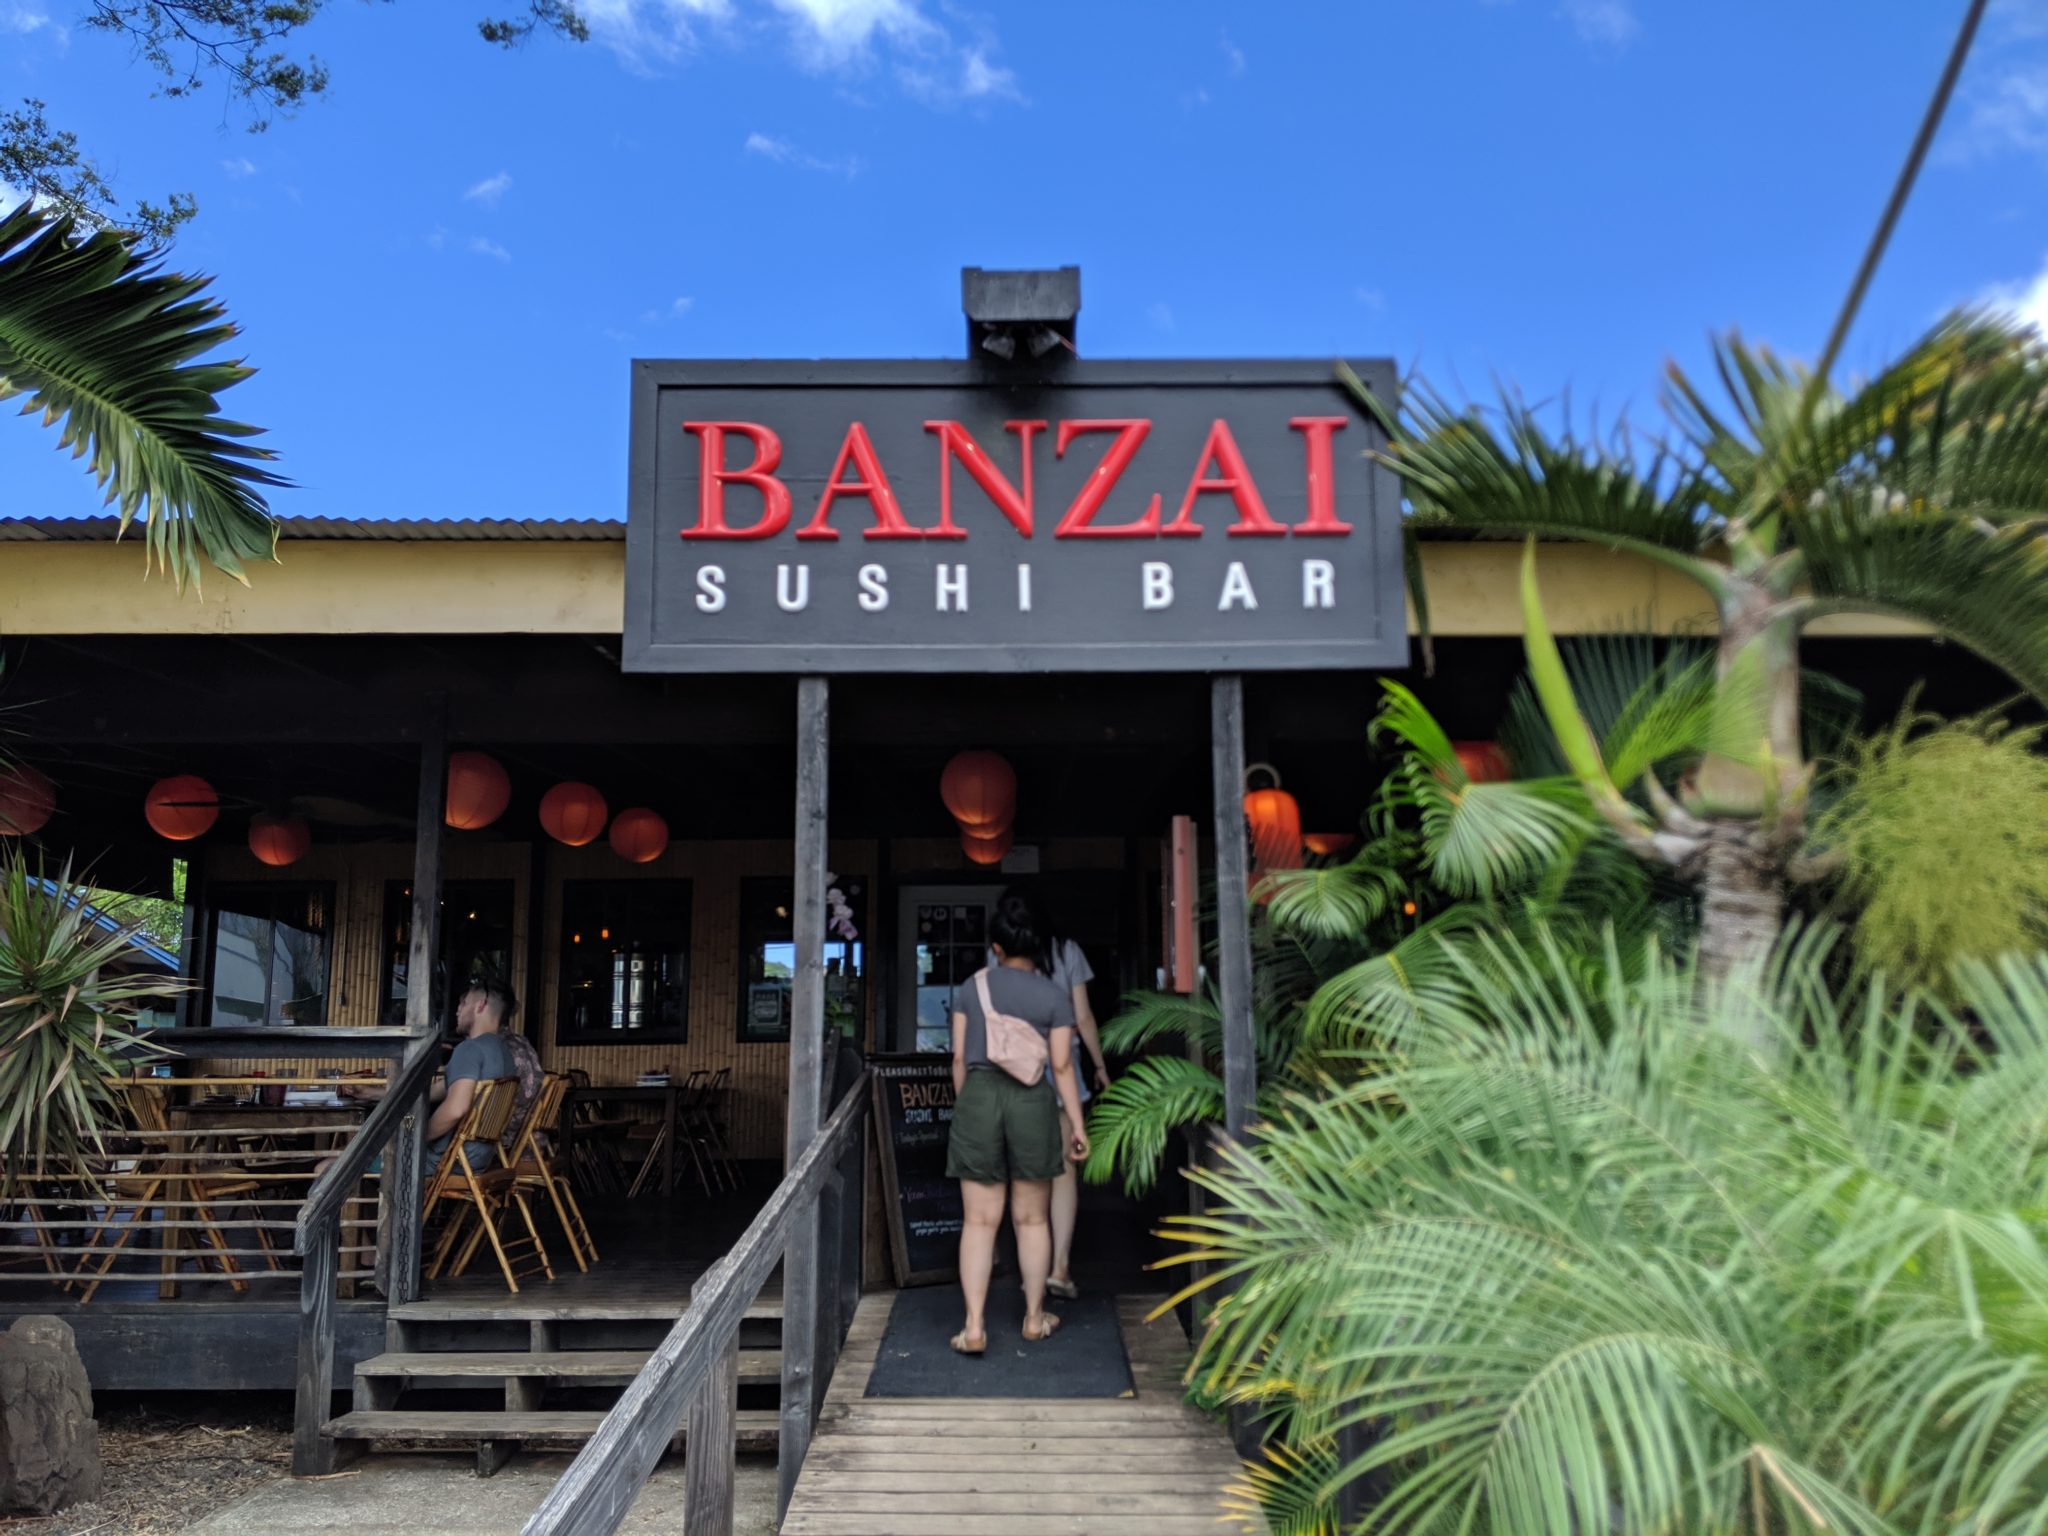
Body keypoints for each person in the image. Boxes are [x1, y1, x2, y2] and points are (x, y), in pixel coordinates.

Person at [947, 891, 1089, 1354]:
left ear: (997, 947)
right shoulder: (1054, 996)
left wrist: (969, 1107)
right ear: (1038, 945)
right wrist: (1077, 1125)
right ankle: (1033, 1318)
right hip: (1032, 1100)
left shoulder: (972, 988)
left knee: (978, 1220)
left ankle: (973, 1327)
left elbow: (958, 1059)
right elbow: (1062, 1066)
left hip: (979, 1097)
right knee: (1031, 1218)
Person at [988, 885, 1109, 1300]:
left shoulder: (999, 953)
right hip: (1063, 1072)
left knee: (1025, 1173)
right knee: (1063, 1170)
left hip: (1014, 1073)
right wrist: (1100, 1066)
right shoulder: (1067, 951)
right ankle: (1059, 1266)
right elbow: (1083, 1017)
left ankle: (1032, 1272)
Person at [339, 977, 533, 1177]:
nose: (457, 1010)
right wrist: (370, 1093)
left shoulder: (469, 1049)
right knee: (398, 1127)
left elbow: (456, 1109)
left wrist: (416, 1137)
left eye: (464, 1003)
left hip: (442, 1160)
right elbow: (434, 1092)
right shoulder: (504, 1054)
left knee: (336, 1163)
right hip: (477, 1159)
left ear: (480, 1005)